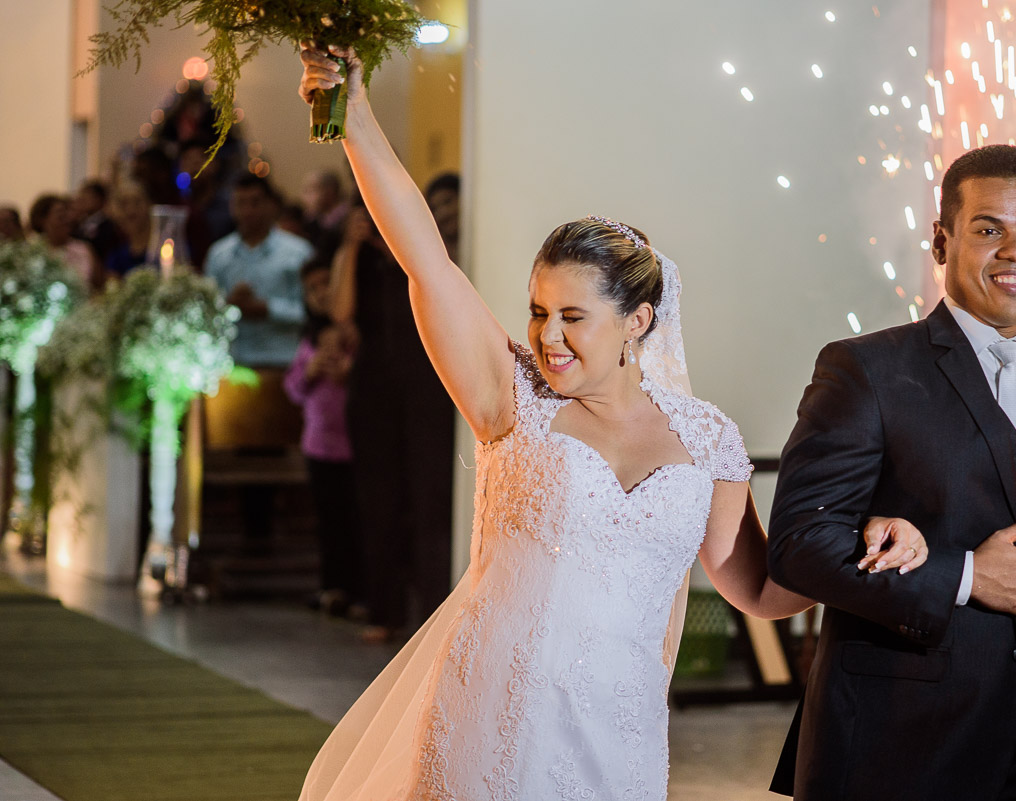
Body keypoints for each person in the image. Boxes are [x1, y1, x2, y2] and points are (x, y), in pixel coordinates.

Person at [295, 46, 929, 800]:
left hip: (620, 728)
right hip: (491, 710)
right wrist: (356, 118)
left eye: (573, 316)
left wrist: (866, 551)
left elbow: (759, 589)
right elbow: (425, 259)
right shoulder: (514, 401)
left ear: (638, 320)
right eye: (538, 311)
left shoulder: (708, 439)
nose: (548, 336)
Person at [767, 144, 1016, 801]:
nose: (1015, 251)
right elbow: (800, 545)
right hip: (895, 751)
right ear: (942, 242)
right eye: (988, 229)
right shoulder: (866, 370)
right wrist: (969, 575)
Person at [330, 204, 456, 644]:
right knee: (378, 501)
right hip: (372, 391)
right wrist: (350, 247)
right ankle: (386, 611)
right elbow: (340, 312)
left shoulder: (423, 255)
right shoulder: (359, 259)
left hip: (427, 389)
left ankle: (434, 613)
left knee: (429, 501)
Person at [284, 257, 363, 618]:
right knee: (328, 521)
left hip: (354, 444)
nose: (320, 294)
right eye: (311, 289)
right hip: (319, 444)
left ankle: (359, 591)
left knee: (355, 521)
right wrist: (311, 371)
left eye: (325, 284)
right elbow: (293, 389)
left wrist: (350, 374)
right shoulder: (309, 340)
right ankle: (331, 587)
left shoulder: (355, 334)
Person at [205, 172, 314, 368]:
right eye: (241, 203)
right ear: (232, 207)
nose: (248, 211)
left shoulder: (298, 253)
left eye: (255, 203)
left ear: (270, 205)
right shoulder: (219, 254)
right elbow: (207, 312)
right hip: (232, 361)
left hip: (285, 362)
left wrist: (267, 309)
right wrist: (229, 304)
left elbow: (311, 312)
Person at [28, 194, 101, 292]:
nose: (68, 220)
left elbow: (99, 286)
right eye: (61, 215)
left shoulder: (84, 249)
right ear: (42, 220)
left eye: (68, 214)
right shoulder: (33, 253)